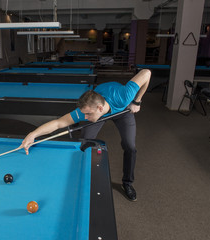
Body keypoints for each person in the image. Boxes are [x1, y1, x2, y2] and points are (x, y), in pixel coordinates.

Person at [20, 69, 151, 201]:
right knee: (85, 141)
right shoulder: (86, 110)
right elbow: (58, 123)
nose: (85, 117)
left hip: (122, 110)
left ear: (99, 108)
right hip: (101, 112)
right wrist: (33, 134)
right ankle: (83, 175)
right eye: (84, 114)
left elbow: (146, 73)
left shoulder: (124, 95)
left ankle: (127, 183)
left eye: (88, 114)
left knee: (130, 146)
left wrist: (137, 101)